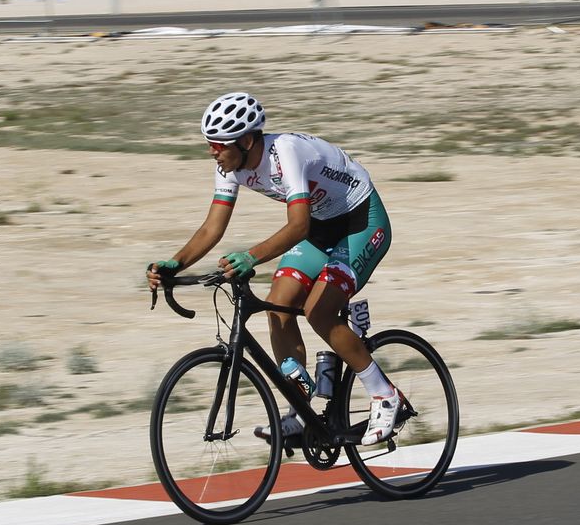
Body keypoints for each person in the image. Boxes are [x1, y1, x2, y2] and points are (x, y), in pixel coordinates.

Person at [146, 93, 406, 446]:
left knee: (318, 311)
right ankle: (301, 409)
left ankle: (385, 394)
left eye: (219, 145)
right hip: (322, 226)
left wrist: (251, 257)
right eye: (210, 145)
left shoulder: (285, 153)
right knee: (277, 307)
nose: (213, 152)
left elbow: (297, 226)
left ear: (247, 140)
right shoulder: (229, 165)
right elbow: (212, 228)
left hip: (361, 222)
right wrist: (175, 262)